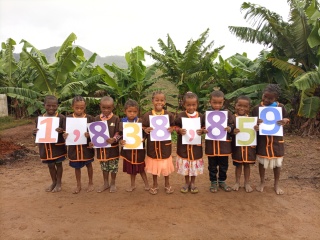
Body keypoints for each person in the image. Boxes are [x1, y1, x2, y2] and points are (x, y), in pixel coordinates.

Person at [252, 84, 290, 195]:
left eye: (270, 98)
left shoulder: (280, 107)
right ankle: (262, 182)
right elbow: (252, 123)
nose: (267, 100)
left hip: (276, 140)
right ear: (262, 94)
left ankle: (276, 184)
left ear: (276, 98)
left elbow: (287, 118)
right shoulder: (257, 108)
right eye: (265, 96)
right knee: (262, 162)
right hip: (263, 140)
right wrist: (256, 125)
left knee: (277, 162)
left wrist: (285, 120)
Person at [142, 91, 175, 195]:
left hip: (165, 145)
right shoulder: (147, 115)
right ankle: (155, 184)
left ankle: (167, 184)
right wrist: (146, 130)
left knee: (166, 166)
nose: (159, 102)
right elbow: (143, 127)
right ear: (152, 101)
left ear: (164, 102)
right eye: (157, 100)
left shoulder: (169, 115)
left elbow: (174, 126)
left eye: (161, 100)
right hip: (153, 146)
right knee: (154, 167)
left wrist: (172, 129)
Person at [202, 90, 235, 193]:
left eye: (220, 103)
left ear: (223, 102)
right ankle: (213, 182)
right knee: (212, 165)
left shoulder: (228, 114)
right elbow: (201, 126)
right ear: (210, 102)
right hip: (211, 146)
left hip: (224, 146)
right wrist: (204, 130)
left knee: (224, 165)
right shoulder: (206, 115)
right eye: (214, 102)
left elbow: (233, 125)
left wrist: (229, 128)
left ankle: (222, 181)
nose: (217, 105)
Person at [33, 95, 67, 193]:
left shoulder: (61, 118)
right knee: (50, 165)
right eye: (48, 106)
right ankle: (54, 182)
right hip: (45, 147)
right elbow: (37, 133)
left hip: (57, 147)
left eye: (54, 106)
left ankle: (59, 183)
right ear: (44, 105)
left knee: (58, 164)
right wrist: (34, 132)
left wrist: (61, 131)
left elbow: (66, 132)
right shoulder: (39, 119)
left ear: (57, 106)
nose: (51, 108)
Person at [63, 96, 95, 194]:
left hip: (86, 148)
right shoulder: (68, 118)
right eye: (77, 108)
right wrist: (65, 135)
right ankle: (78, 184)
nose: (79, 110)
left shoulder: (89, 118)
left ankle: (90, 183)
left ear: (85, 107)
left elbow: (94, 133)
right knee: (77, 167)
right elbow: (65, 132)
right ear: (72, 106)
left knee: (89, 164)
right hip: (74, 148)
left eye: (82, 107)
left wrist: (89, 135)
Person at [175, 92, 204, 194]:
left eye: (193, 105)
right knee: (186, 165)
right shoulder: (180, 116)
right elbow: (176, 126)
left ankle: (193, 183)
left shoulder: (201, 116)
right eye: (188, 105)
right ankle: (186, 182)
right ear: (184, 105)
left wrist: (202, 131)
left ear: (197, 104)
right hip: (184, 147)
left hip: (196, 147)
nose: (191, 107)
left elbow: (204, 127)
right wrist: (179, 130)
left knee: (194, 165)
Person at [91, 96, 120, 193]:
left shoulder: (116, 118)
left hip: (113, 149)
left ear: (113, 107)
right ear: (100, 106)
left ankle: (113, 183)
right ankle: (106, 183)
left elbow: (119, 133)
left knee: (113, 167)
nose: (106, 110)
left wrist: (114, 139)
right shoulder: (96, 119)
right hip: (101, 149)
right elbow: (93, 134)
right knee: (104, 167)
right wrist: (92, 142)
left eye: (109, 108)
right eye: (104, 107)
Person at [119, 99, 150, 192]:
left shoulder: (141, 122)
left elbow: (146, 133)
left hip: (138, 151)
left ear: (138, 112)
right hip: (128, 151)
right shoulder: (122, 122)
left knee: (141, 168)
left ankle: (147, 184)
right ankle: (132, 185)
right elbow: (120, 134)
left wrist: (144, 138)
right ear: (125, 111)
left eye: (135, 112)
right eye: (129, 111)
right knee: (131, 169)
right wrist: (121, 141)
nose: (132, 114)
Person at [231, 96, 256, 193]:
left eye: (245, 106)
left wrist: (256, 128)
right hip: (237, 147)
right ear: (235, 106)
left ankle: (246, 183)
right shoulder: (232, 118)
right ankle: (237, 182)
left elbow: (255, 132)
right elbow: (228, 130)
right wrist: (233, 131)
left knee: (247, 165)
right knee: (238, 164)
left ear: (249, 107)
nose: (242, 108)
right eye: (239, 105)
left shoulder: (251, 119)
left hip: (249, 146)